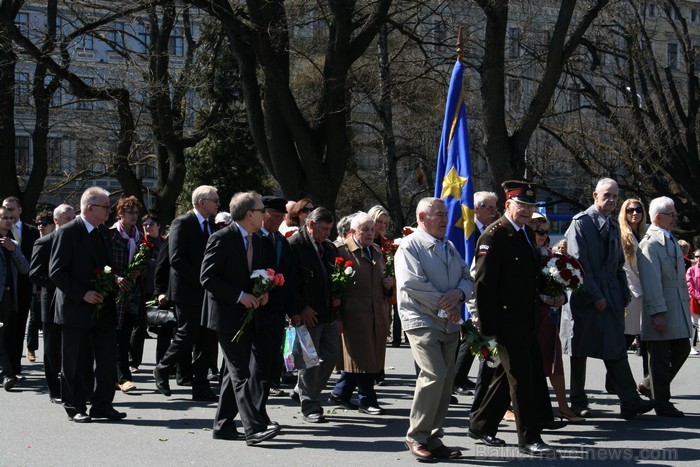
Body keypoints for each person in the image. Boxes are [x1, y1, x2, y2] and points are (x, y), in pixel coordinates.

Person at [469, 182, 557, 458]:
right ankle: (529, 437)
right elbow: (483, 285)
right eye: (522, 206)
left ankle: (481, 425)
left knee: (505, 377)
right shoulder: (494, 236)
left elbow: (530, 276)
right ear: (508, 205)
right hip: (506, 320)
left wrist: (552, 290)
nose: (527, 212)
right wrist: (487, 329)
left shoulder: (525, 235)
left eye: (531, 207)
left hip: (526, 318)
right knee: (522, 377)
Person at [561, 178, 655, 420]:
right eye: (607, 195)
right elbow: (579, 264)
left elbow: (618, 265)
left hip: (611, 293)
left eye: (615, 196)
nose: (611, 200)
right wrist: (596, 295)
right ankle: (578, 402)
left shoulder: (613, 225)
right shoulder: (580, 223)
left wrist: (623, 293)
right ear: (595, 195)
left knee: (615, 347)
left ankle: (629, 400)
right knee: (579, 350)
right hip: (585, 295)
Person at [395, 197, 472, 461]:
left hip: (449, 323)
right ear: (421, 217)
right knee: (434, 375)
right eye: (438, 214)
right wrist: (446, 305)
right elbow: (412, 284)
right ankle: (416, 436)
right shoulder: (410, 245)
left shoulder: (448, 245)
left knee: (447, 380)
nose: (444, 219)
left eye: (445, 215)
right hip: (422, 320)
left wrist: (459, 294)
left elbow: (467, 276)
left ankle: (433, 437)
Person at [201, 191, 280, 444]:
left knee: (231, 374)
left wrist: (263, 292)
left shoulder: (257, 240)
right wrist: (239, 295)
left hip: (248, 314)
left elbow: (255, 274)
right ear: (249, 214)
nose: (265, 215)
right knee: (241, 372)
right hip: (225, 316)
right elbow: (207, 278)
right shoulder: (221, 238)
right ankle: (253, 428)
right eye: (261, 210)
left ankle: (223, 425)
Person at [49, 187, 126, 422]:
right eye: (105, 207)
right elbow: (57, 272)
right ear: (90, 208)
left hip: (102, 307)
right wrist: (82, 293)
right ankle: (75, 407)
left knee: (106, 359)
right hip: (76, 307)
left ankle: (102, 404)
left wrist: (113, 278)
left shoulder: (103, 232)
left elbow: (104, 265)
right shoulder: (69, 231)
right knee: (75, 361)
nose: (109, 211)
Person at [153, 185, 219, 402]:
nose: (218, 204)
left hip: (206, 291)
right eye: (214, 200)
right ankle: (163, 368)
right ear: (201, 202)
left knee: (207, 338)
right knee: (187, 333)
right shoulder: (182, 222)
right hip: (186, 290)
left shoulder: (210, 225)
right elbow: (177, 259)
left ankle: (200, 385)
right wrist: (203, 280)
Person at [637, 197, 694, 417]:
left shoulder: (669, 238)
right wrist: (657, 312)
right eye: (671, 214)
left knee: (682, 348)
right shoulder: (650, 243)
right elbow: (651, 282)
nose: (675, 217)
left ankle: (650, 385)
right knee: (660, 357)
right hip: (662, 307)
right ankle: (662, 402)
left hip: (676, 306)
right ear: (659, 217)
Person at [331, 213, 392, 415]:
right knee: (362, 357)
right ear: (353, 230)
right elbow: (335, 287)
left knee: (367, 356)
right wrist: (337, 316)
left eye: (372, 229)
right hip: (353, 314)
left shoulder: (376, 251)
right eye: (364, 229)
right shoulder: (342, 251)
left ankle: (341, 392)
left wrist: (389, 285)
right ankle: (367, 399)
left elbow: (383, 283)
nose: (369, 233)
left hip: (377, 313)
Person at [529, 213, 583, 424]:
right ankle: (510, 406)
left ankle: (563, 406)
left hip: (549, 315)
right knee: (528, 364)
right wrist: (541, 296)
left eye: (546, 232)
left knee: (554, 359)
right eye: (539, 231)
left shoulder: (549, 254)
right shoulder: (526, 253)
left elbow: (561, 278)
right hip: (531, 314)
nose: (543, 236)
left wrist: (561, 295)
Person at [288, 207, 339, 423]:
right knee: (309, 360)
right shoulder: (295, 245)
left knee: (332, 354)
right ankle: (310, 404)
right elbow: (289, 281)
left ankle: (303, 389)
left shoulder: (328, 248)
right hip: (307, 313)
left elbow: (334, 277)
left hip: (329, 313)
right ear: (311, 225)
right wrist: (299, 308)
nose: (328, 233)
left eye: (330, 229)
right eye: (324, 229)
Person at [29, 204, 76, 402]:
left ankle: (72, 388)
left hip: (73, 301)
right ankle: (54, 389)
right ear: (56, 221)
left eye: (74, 218)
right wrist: (59, 283)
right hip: (51, 301)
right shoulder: (44, 242)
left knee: (72, 347)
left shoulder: (77, 241)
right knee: (52, 347)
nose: (72, 222)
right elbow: (35, 273)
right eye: (68, 219)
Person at [256, 196, 297, 398]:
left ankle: (270, 383)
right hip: (257, 308)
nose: (279, 220)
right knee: (259, 357)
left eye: (282, 216)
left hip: (278, 309)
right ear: (263, 214)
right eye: (274, 216)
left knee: (274, 352)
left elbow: (289, 276)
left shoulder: (281, 241)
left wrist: (293, 309)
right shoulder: (253, 238)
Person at [460, 191, 499, 401]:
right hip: (469, 293)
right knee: (473, 340)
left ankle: (458, 378)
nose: (495, 212)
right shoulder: (468, 230)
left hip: (478, 297)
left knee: (471, 341)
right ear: (477, 208)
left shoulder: (490, 231)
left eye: (495, 207)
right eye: (490, 208)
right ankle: (458, 381)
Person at [109, 196, 144, 393]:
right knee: (115, 335)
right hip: (114, 293)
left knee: (125, 335)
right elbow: (103, 263)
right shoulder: (111, 234)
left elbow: (146, 263)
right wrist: (115, 278)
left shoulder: (139, 237)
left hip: (132, 293)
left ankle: (120, 376)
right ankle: (120, 377)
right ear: (120, 213)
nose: (134, 216)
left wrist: (140, 271)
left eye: (136, 212)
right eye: (130, 212)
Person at [2, 197, 39, 377]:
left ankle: (14, 368)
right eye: (5, 211)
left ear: (19, 210)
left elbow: (30, 264)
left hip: (22, 288)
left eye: (11, 211)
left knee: (17, 329)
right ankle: (6, 369)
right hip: (4, 289)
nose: (9, 216)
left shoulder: (30, 232)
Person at [129, 213, 165, 372]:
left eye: (151, 223)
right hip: (142, 291)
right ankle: (133, 362)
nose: (148, 227)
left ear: (158, 226)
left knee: (164, 327)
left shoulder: (165, 243)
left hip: (161, 291)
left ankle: (163, 363)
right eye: (145, 225)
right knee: (139, 327)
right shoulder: (139, 243)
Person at [0, 205, 30, 391]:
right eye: (4, 217)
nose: (9, 221)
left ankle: (7, 372)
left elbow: (25, 268)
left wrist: (13, 250)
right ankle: (7, 374)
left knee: (6, 336)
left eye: (11, 218)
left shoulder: (13, 243)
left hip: (9, 297)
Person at [26, 211, 54, 363]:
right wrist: (36, 288)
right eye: (37, 223)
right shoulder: (36, 240)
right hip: (35, 285)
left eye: (43, 224)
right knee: (34, 318)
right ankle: (31, 348)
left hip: (48, 286)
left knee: (45, 321)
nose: (40, 227)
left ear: (51, 225)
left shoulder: (55, 240)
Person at [687, 248, 700, 355]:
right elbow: (689, 285)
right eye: (696, 256)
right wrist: (698, 297)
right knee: (693, 324)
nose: (698, 258)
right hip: (695, 300)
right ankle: (690, 347)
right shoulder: (691, 270)